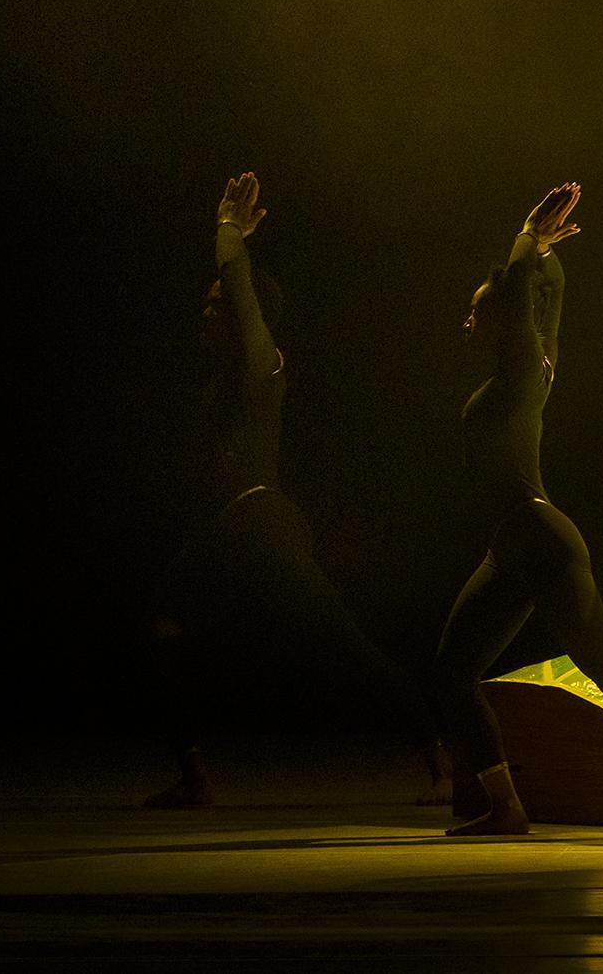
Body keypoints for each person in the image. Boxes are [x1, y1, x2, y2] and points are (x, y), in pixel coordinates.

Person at [143, 172, 446, 809]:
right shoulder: (222, 380)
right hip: (232, 534)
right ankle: (195, 772)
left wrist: (228, 234)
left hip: (262, 529)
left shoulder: (263, 364)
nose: (204, 312)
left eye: (215, 303)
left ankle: (444, 757)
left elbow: (245, 299)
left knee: (344, 650)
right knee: (163, 624)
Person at [429, 183, 603, 840]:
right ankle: (507, 807)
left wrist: (526, 245)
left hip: (540, 540)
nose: (468, 323)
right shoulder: (528, 371)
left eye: (477, 313)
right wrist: (548, 259)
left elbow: (528, 308)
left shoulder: (520, 374)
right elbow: (545, 313)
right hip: (513, 546)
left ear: (503, 320)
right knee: (450, 672)